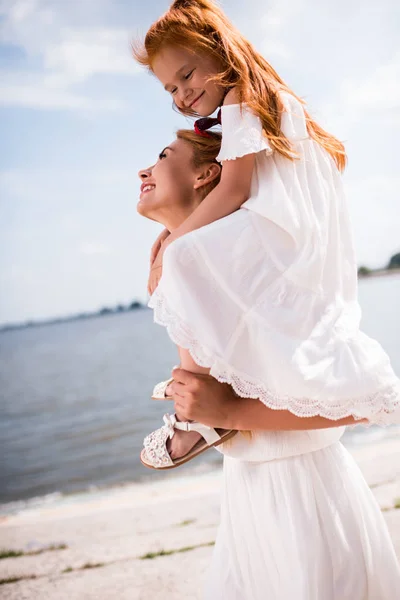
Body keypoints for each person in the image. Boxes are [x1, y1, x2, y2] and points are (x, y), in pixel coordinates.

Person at [134, 1, 400, 597]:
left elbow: (238, 184)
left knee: (183, 261)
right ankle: (203, 403)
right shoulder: (246, 107)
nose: (180, 95)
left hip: (277, 231)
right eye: (169, 88)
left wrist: (178, 237)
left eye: (187, 75)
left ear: (220, 53)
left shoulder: (247, 102)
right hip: (281, 230)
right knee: (183, 261)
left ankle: (194, 418)